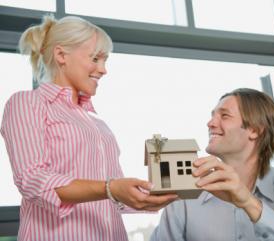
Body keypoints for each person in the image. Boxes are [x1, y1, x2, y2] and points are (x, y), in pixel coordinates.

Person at [0, 15, 177, 241]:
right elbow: (34, 180)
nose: (103, 70)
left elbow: (114, 195)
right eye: (95, 58)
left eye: (105, 61)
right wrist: (110, 188)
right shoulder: (27, 103)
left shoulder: (97, 125)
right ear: (61, 54)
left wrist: (154, 195)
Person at [150, 88, 274, 241]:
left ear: (254, 130)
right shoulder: (185, 198)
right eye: (212, 116)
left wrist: (249, 202)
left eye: (224, 116)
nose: (210, 123)